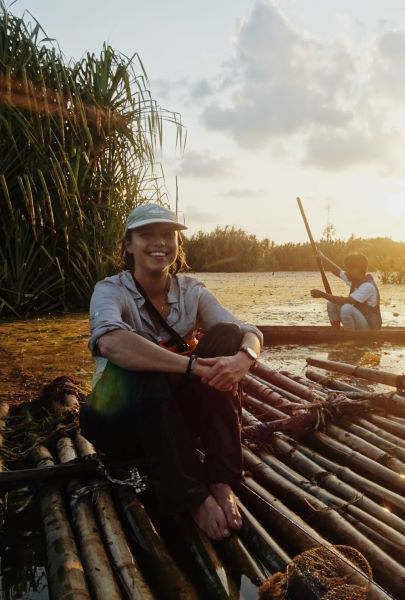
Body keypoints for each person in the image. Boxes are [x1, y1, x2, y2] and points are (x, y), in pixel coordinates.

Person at [79, 203, 263, 541]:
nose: (159, 242)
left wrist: (244, 358)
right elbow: (110, 343)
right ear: (128, 244)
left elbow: (244, 329)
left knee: (226, 337)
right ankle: (192, 497)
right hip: (119, 420)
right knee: (139, 361)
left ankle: (221, 479)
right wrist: (190, 365)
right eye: (146, 234)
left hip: (170, 413)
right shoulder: (109, 290)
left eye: (167, 235)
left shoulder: (191, 290)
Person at [310, 251, 382, 330]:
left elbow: (347, 301)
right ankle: (336, 332)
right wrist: (323, 258)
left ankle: (348, 336)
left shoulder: (368, 286)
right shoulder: (354, 279)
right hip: (359, 321)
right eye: (347, 268)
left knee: (346, 308)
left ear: (359, 269)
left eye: (351, 268)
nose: (347, 271)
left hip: (370, 327)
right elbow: (337, 271)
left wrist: (322, 294)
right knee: (331, 304)